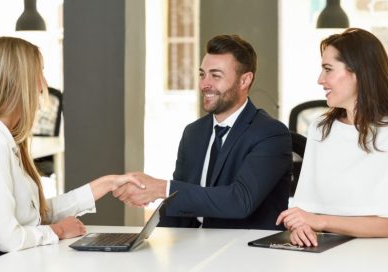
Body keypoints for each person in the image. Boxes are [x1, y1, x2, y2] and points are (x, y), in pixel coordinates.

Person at [0, 36, 140, 266]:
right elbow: (7, 238)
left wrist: (106, 184)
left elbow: (35, 214)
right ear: (20, 82)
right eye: (39, 73)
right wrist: (58, 230)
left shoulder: (6, 138)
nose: (44, 84)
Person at [114, 35, 292, 230]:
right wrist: (152, 239)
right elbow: (176, 204)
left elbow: (240, 201)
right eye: (202, 74)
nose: (204, 84)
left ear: (244, 80)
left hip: (245, 250)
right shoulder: (193, 133)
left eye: (215, 76)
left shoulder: (270, 133)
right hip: (194, 245)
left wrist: (161, 188)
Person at [276, 28, 388, 247]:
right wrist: (301, 227)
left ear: (359, 72)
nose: (320, 79)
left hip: (377, 255)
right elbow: (304, 209)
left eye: (328, 69)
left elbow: (386, 225)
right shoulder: (320, 129)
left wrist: (319, 221)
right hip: (322, 249)